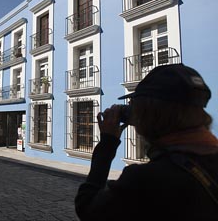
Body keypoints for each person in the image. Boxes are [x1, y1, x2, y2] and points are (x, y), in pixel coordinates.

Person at [75, 64, 218, 220]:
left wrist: (107, 144)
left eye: (134, 106)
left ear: (148, 114)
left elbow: (87, 209)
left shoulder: (145, 179)